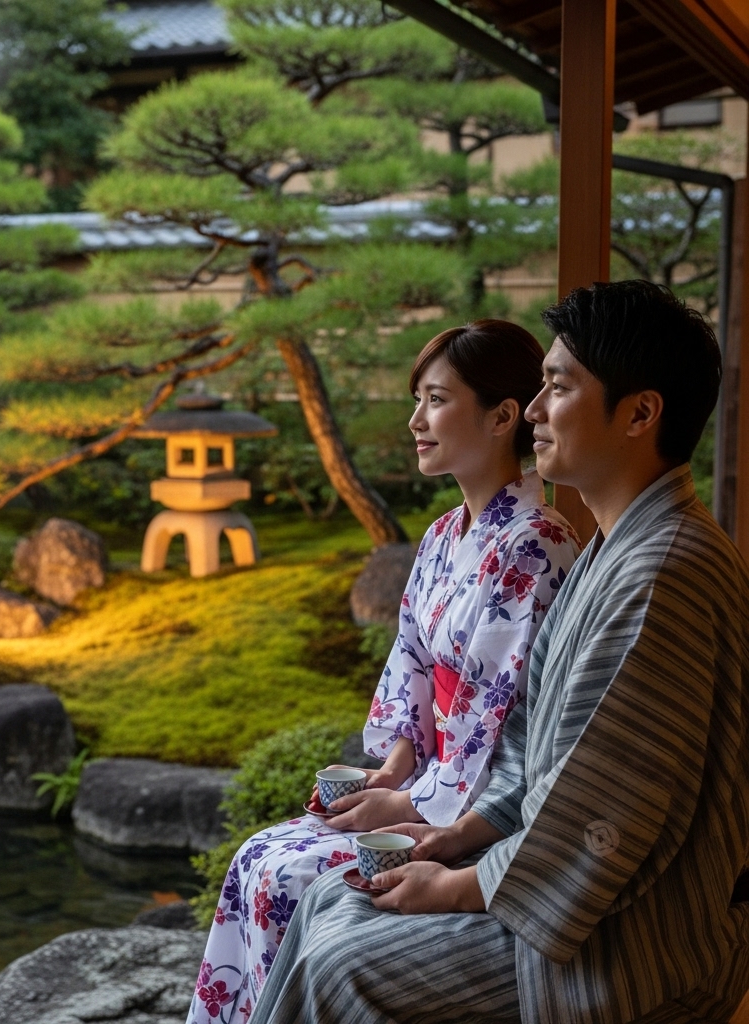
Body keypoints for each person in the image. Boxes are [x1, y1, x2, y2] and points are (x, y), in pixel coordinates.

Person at [249, 280, 749, 1024]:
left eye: (557, 387)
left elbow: (600, 810)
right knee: (327, 899)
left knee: (344, 962)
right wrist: (453, 838)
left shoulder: (658, 574)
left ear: (641, 413)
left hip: (631, 937)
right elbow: (525, 751)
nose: (537, 410)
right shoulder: (617, 550)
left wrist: (455, 883)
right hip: (568, 887)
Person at [187, 319, 581, 1024]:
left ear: (500, 417)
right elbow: (413, 665)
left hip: (477, 819)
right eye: (417, 400)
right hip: (429, 787)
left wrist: (409, 807)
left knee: (287, 875)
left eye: (434, 400)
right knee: (253, 857)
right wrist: (390, 772)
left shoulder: (536, 545)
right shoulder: (439, 536)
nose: (415, 420)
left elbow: (506, 723)